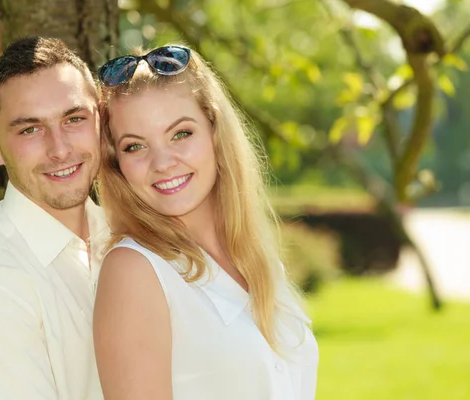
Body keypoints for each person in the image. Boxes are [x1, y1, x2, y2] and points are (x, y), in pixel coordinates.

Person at [93, 45, 319, 399]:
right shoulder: (135, 271)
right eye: (135, 146)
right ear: (116, 163)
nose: (163, 162)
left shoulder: (256, 261)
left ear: (215, 132)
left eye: (180, 134)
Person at [0, 36, 108, 400]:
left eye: (73, 119)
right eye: (30, 129)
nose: (59, 149)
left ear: (101, 122)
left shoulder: (131, 237)